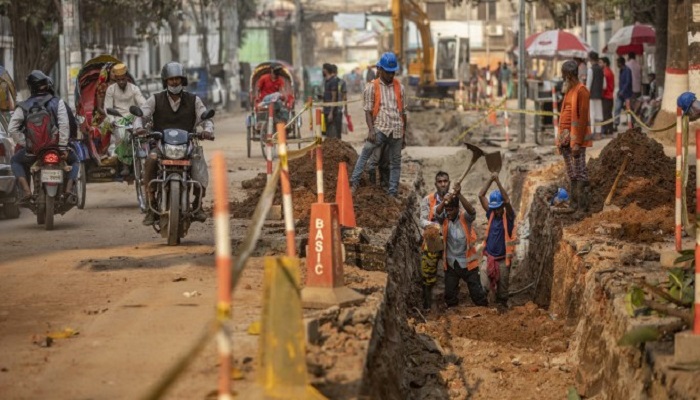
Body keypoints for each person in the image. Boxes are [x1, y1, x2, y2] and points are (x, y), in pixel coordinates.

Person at [134, 62, 214, 226]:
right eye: (171, 79)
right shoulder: (155, 99)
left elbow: (206, 118)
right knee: (150, 160)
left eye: (177, 79)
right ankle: (151, 205)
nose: (175, 82)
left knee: (199, 164)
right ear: (166, 81)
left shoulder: (194, 100)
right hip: (161, 145)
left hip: (188, 146)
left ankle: (198, 204)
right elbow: (141, 116)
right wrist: (139, 128)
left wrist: (208, 130)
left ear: (182, 80)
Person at [9, 70, 79, 204]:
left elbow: (12, 129)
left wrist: (27, 144)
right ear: (47, 84)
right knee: (75, 160)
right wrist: (62, 147)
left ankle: (26, 191)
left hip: (33, 152)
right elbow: (64, 125)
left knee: (15, 161)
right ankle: (68, 191)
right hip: (56, 148)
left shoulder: (23, 106)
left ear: (31, 87)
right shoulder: (57, 102)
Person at [350, 52, 407, 198]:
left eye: (392, 72)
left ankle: (392, 192)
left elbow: (403, 112)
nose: (390, 75)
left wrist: (404, 134)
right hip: (380, 128)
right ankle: (354, 183)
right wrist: (371, 130)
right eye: (388, 72)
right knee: (366, 154)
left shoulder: (400, 87)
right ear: (380, 70)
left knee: (395, 163)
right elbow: (368, 111)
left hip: (397, 130)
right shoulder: (371, 87)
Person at [419, 172, 465, 311]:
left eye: (445, 181)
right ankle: (427, 303)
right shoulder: (428, 199)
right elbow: (422, 220)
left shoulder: (454, 199)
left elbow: (460, 218)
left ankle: (451, 301)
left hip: (449, 239)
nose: (443, 184)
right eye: (440, 181)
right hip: (433, 239)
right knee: (428, 272)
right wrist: (437, 227)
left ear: (449, 183)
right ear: (436, 184)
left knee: (452, 269)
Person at [434, 194, 486, 308]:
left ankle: (484, 311)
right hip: (452, 264)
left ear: (457, 208)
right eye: (446, 210)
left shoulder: (465, 219)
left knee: (477, 294)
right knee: (450, 295)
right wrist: (444, 201)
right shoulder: (444, 220)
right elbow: (437, 212)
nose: (448, 213)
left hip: (468, 264)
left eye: (451, 210)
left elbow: (472, 211)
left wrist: (459, 195)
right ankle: (453, 315)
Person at [478, 173, 516, 311]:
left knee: (503, 294)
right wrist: (490, 178)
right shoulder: (491, 214)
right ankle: (484, 309)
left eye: (499, 207)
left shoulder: (509, 217)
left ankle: (502, 309)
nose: (497, 210)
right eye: (495, 208)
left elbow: (506, 200)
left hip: (503, 260)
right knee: (483, 287)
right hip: (488, 258)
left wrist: (498, 181)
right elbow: (481, 195)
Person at [558, 60, 592, 211]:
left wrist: (577, 142)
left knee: (580, 174)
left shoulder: (581, 91)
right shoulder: (569, 90)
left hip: (576, 141)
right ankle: (573, 205)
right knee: (572, 174)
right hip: (565, 139)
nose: (562, 78)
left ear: (570, 76)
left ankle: (582, 208)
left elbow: (582, 119)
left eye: (564, 76)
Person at [103, 63, 147, 176]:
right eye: (119, 80)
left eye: (123, 79)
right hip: (118, 118)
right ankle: (125, 165)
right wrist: (112, 120)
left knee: (142, 135)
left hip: (133, 116)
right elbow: (108, 108)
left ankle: (142, 162)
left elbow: (142, 102)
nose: (121, 82)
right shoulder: (110, 90)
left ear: (127, 77)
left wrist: (146, 112)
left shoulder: (134, 88)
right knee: (122, 137)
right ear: (116, 79)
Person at [586, 51, 604, 139]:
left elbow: (588, 84)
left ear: (590, 59)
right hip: (599, 94)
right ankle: (598, 133)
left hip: (592, 95)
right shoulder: (601, 69)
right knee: (599, 114)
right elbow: (604, 85)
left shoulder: (590, 70)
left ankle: (591, 133)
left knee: (592, 114)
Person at [321, 63, 342, 138]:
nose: (322, 71)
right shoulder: (326, 81)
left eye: (323, 69)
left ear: (325, 70)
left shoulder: (333, 81)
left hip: (332, 112)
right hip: (326, 110)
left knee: (333, 134)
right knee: (326, 133)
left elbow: (334, 97)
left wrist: (331, 113)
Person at [615, 57, 633, 130]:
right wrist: (619, 91)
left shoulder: (627, 70)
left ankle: (630, 124)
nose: (617, 64)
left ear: (620, 63)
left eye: (618, 63)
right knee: (617, 108)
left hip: (627, 93)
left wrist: (623, 91)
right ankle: (616, 123)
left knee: (628, 109)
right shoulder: (621, 71)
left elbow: (628, 82)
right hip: (621, 93)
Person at [601, 57, 615, 136]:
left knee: (605, 114)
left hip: (606, 96)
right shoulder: (610, 71)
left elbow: (604, 86)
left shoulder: (605, 72)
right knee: (609, 114)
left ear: (605, 63)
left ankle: (606, 130)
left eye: (601, 62)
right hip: (610, 96)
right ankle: (610, 129)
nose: (600, 64)